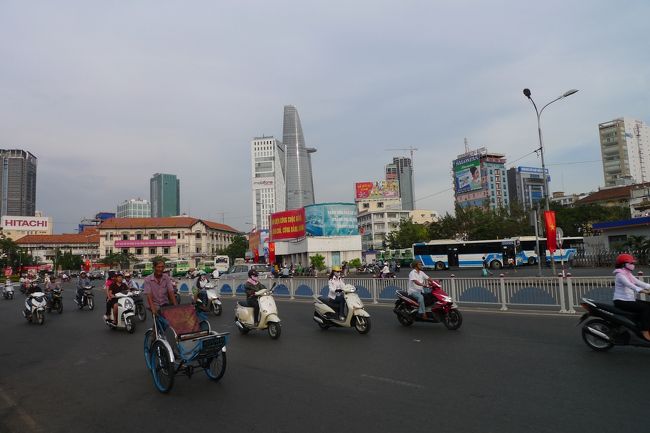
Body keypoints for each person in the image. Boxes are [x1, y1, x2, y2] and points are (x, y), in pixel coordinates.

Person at [612, 254, 650, 341]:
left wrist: (648, 287)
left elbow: (640, 283)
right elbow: (631, 286)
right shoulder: (620, 275)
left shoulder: (628, 274)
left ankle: (642, 323)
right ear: (624, 264)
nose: (633, 265)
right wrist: (645, 292)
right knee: (646, 308)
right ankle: (644, 330)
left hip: (629, 300)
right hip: (621, 301)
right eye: (631, 263)